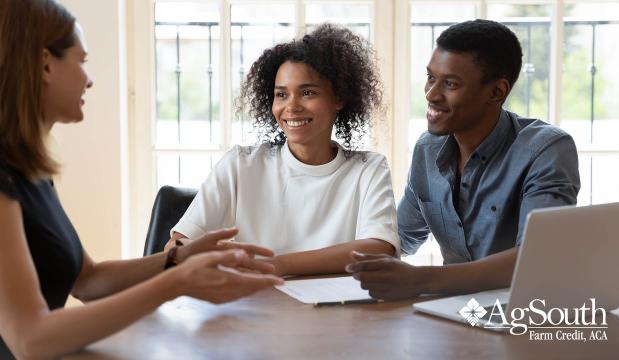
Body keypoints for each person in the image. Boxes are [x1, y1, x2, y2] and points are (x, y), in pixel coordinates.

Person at [0, 1, 282, 358]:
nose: (89, 78)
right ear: (44, 64)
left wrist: (180, 259)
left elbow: (88, 280)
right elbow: (29, 339)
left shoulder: (27, 170)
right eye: (81, 61)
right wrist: (175, 283)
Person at [347, 19, 580, 299]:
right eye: (431, 78)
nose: (431, 94)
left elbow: (536, 259)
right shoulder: (428, 149)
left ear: (497, 92)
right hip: (453, 311)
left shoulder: (546, 149)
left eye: (450, 84)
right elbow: (399, 237)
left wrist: (420, 279)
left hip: (523, 313)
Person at [164, 24, 399, 276]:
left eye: (307, 92)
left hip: (337, 310)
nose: (291, 106)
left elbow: (379, 248)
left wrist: (275, 264)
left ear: (339, 98)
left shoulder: (368, 169)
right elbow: (175, 246)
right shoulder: (241, 164)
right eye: (281, 95)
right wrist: (210, 253)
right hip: (255, 304)